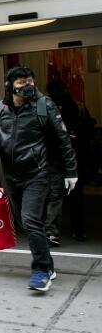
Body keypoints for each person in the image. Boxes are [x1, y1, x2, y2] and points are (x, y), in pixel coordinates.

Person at [0, 66, 77, 292]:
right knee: (27, 223)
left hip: (37, 174)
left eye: (30, 81)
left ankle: (41, 271)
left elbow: (63, 139)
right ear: (9, 86)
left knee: (31, 220)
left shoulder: (44, 106)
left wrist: (72, 172)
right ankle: (49, 266)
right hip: (12, 177)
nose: (27, 86)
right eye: (22, 83)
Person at [44, 79, 95, 245]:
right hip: (76, 156)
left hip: (56, 157)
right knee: (76, 196)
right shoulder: (79, 106)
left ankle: (52, 232)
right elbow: (89, 132)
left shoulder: (47, 108)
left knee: (55, 194)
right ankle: (78, 230)